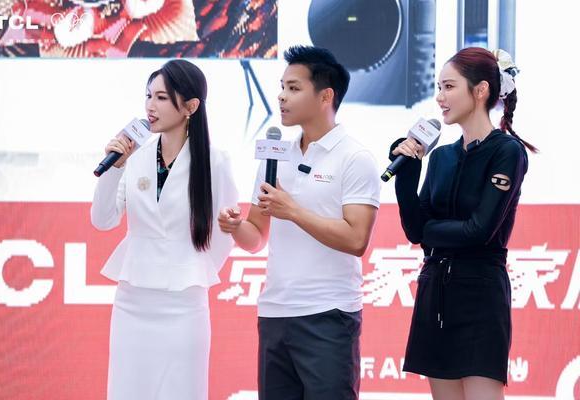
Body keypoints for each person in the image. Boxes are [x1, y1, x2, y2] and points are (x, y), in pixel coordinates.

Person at [218, 45, 381, 400]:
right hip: (275, 312)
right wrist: (235, 226)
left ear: (325, 96)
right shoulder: (275, 155)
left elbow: (356, 239)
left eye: (293, 88)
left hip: (329, 315)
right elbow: (256, 236)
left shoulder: (355, 158)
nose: (281, 96)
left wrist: (293, 211)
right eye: (282, 87)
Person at [390, 47, 536, 400]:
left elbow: (480, 230)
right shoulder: (441, 156)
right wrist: (407, 174)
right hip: (435, 293)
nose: (439, 97)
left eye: (449, 86)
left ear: (481, 90)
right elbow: (415, 230)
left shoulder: (507, 151)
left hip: (480, 295)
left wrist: (431, 232)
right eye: (438, 87)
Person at [91, 59, 238, 400]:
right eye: (148, 96)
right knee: (128, 388)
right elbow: (102, 219)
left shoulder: (214, 160)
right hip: (133, 299)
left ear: (190, 107)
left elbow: (224, 233)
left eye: (161, 97)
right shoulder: (135, 156)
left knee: (181, 389)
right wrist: (115, 167)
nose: (150, 106)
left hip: (184, 302)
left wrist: (191, 267)